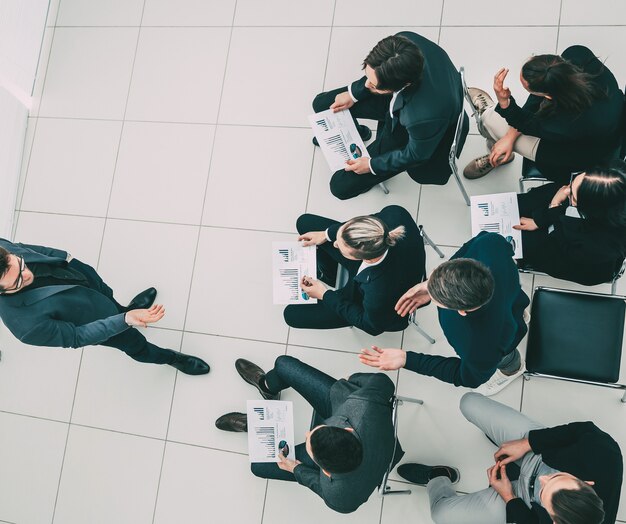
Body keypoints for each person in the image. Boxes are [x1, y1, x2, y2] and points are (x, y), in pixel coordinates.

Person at [215, 355, 403, 514]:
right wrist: (353, 379)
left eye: (309, 443)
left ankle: (254, 423)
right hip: (352, 412)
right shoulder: (364, 402)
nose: (307, 433)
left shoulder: (339, 497)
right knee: (283, 364)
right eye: (317, 430)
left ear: (325, 471)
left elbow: (318, 485)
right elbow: (383, 382)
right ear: (347, 430)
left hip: (368, 445)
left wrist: (296, 469)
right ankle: (266, 386)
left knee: (259, 467)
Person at [397, 392, 623, 524]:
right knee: (469, 403)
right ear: (586, 483)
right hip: (537, 453)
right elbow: (582, 430)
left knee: (441, 515)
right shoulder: (607, 458)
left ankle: (438, 475)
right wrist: (527, 443)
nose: (544, 480)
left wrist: (509, 497)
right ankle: (503, 441)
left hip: (522, 498)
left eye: (545, 492)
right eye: (557, 478)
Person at [0, 239, 209, 374]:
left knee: (110, 299)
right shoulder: (24, 326)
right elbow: (76, 337)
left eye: (21, 264)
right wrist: (124, 320)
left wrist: (67, 258)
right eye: (18, 281)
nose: (27, 274)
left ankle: (125, 309)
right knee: (136, 345)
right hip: (97, 320)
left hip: (85, 281)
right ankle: (171, 358)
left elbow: (27, 249)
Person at [360, 232, 529, 395]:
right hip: (513, 302)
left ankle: (513, 370)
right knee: (511, 309)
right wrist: (429, 286)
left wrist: (407, 359)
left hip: (504, 339)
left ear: (462, 311)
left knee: (506, 357)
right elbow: (493, 245)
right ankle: (520, 315)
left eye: (435, 300)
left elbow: (467, 377)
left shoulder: (478, 344)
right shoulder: (490, 244)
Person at [312, 31, 468, 200]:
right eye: (367, 76)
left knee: (339, 186)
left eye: (373, 85)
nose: (366, 85)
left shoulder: (422, 119)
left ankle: (366, 171)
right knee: (321, 105)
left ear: (402, 84)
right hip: (404, 100)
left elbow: (415, 155)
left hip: (410, 127)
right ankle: (360, 132)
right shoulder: (404, 41)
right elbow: (377, 72)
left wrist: (371, 165)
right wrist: (354, 94)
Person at [464, 45, 624, 183]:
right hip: (612, 130)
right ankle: (497, 146)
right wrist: (509, 138)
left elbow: (526, 123)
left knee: (491, 122)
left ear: (548, 96)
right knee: (504, 134)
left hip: (577, 156)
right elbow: (540, 94)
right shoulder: (577, 55)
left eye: (529, 90)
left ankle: (488, 124)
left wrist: (504, 102)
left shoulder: (563, 124)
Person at [284, 205, 425, 336]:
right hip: (398, 264)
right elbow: (358, 225)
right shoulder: (395, 213)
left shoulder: (378, 292)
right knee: (304, 222)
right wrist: (327, 234)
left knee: (291, 315)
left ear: (364, 258)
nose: (334, 244)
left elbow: (371, 326)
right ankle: (330, 275)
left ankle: (330, 279)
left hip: (374, 298)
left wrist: (325, 295)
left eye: (340, 247)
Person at [514, 161, 626, 285]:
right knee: (533, 199)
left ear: (592, 210)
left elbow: (565, 245)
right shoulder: (616, 181)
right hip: (575, 227)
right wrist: (543, 217)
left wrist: (554, 206)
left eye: (573, 196)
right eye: (572, 183)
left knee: (524, 241)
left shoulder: (599, 245)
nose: (567, 191)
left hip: (573, 257)